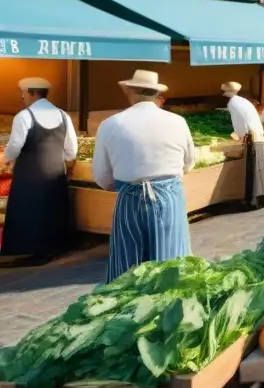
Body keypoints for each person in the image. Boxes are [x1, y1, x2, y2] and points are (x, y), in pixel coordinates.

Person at [92, 70, 195, 281]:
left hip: (130, 197)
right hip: (169, 198)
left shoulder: (111, 124)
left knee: (128, 267)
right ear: (156, 93)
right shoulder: (177, 122)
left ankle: (126, 306)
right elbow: (189, 164)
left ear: (130, 91)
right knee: (171, 263)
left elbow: (102, 176)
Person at [1, 77, 77, 265]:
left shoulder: (24, 116)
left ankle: (27, 251)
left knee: (27, 210)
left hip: (29, 175)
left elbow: (14, 147)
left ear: (30, 93)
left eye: (23, 93)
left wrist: (7, 158)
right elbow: (72, 150)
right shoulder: (63, 116)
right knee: (51, 210)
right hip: (55, 173)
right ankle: (51, 249)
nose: (22, 97)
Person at [222, 81, 264, 209]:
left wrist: (239, 135)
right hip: (258, 135)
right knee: (260, 169)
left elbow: (239, 122)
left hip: (251, 138)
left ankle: (252, 201)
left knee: (252, 169)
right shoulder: (244, 101)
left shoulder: (232, 103)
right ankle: (262, 199)